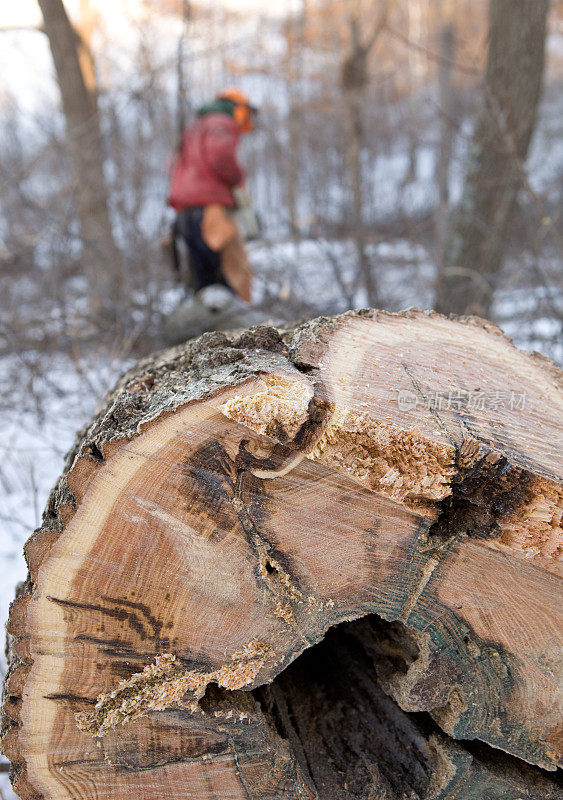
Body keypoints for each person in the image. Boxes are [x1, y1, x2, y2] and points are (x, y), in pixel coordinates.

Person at [168, 88, 257, 303]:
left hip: (185, 213)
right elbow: (221, 156)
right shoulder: (221, 122)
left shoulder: (195, 127)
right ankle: (237, 332)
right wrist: (237, 177)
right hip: (211, 211)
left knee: (204, 283)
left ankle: (208, 332)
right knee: (232, 278)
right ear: (238, 109)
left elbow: (172, 165)